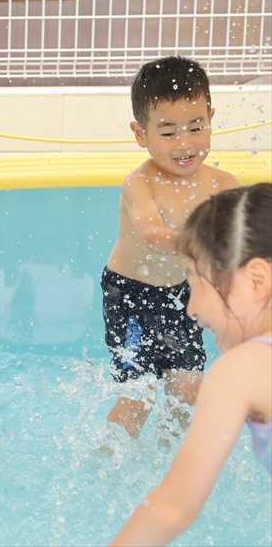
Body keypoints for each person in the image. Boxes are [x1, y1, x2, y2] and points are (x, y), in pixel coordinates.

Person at [110, 182, 272, 545]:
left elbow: (173, 507)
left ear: (257, 280)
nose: (191, 307)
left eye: (196, 281)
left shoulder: (243, 369)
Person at [102, 56, 239, 438]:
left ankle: (168, 455)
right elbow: (153, 234)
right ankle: (108, 458)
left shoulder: (223, 184)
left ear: (211, 118)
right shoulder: (140, 183)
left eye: (196, 127)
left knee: (187, 393)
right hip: (130, 296)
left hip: (183, 295)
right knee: (140, 397)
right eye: (168, 133)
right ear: (140, 134)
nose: (185, 144)